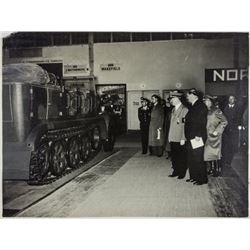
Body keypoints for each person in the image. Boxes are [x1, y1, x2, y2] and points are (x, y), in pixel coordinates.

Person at [185, 88, 208, 185]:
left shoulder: (201, 106)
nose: (187, 97)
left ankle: (202, 179)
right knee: (192, 157)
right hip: (191, 136)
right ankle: (194, 176)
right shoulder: (193, 106)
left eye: (188, 95)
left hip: (197, 136)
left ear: (194, 95)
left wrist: (198, 135)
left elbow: (202, 121)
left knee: (198, 158)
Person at [203, 95, 228, 177]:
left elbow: (224, 121)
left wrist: (217, 131)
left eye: (206, 100)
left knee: (216, 153)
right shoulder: (207, 110)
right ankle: (211, 168)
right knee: (208, 152)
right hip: (207, 135)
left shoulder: (216, 110)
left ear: (210, 101)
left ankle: (217, 170)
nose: (205, 102)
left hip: (215, 136)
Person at [168, 90, 189, 179]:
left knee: (181, 156)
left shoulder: (184, 109)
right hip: (173, 136)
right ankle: (175, 170)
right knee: (174, 155)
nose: (171, 100)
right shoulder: (173, 109)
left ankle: (182, 172)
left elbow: (185, 126)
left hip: (180, 137)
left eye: (173, 98)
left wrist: (183, 138)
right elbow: (172, 125)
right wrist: (169, 136)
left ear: (178, 98)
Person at [221, 95, 241, 168]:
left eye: (232, 99)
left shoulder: (238, 108)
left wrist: (238, 126)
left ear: (234, 100)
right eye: (230, 99)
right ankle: (225, 160)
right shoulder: (225, 108)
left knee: (231, 146)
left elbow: (239, 118)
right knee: (226, 145)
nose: (231, 100)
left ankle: (229, 161)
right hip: (226, 130)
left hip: (234, 130)